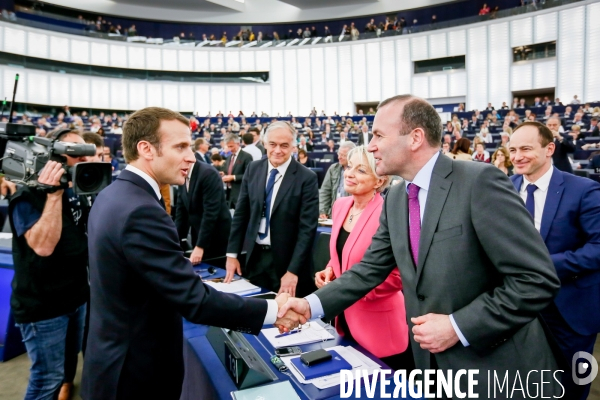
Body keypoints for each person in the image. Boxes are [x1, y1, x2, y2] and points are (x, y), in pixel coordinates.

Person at [279, 95, 562, 397]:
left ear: (415, 138)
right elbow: (367, 271)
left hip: (499, 372)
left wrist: (457, 325)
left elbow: (536, 280)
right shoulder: (397, 200)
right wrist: (311, 305)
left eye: (378, 136)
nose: (371, 146)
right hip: (431, 370)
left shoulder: (479, 182)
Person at [82, 108, 302, 400]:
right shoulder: (141, 210)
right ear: (146, 149)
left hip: (113, 364)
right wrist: (274, 310)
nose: (191, 156)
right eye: (181, 147)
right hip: (135, 376)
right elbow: (195, 302)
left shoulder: (113, 194)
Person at [509, 121, 600, 400]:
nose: (517, 156)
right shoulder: (503, 187)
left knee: (572, 385)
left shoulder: (584, 189)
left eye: (526, 148)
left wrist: (546, 266)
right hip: (516, 305)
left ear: (550, 148)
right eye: (512, 149)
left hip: (569, 308)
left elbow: (597, 247)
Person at [9, 129, 92, 400]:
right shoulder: (26, 195)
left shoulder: (79, 189)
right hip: (44, 307)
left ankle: (67, 386)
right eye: (74, 151)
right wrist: (53, 194)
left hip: (76, 296)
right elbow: (43, 247)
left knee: (68, 364)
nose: (83, 157)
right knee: (46, 378)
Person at [315, 145, 413, 370]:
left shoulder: (388, 212)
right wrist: (330, 269)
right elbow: (343, 252)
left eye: (361, 170)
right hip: (345, 322)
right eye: (349, 167)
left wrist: (348, 289)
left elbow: (399, 275)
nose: (349, 173)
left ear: (379, 181)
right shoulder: (340, 206)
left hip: (380, 330)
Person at [224, 121, 319, 297]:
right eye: (273, 144)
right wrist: (232, 254)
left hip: (287, 264)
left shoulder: (307, 178)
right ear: (265, 144)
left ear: (293, 147)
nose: (277, 150)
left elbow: (307, 229)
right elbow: (241, 214)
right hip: (255, 258)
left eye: (284, 145)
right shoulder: (253, 169)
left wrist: (293, 271)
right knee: (257, 314)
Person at [175, 158, 231, 266]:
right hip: (199, 234)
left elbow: (210, 214)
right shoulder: (182, 175)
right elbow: (181, 213)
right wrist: (175, 243)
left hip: (217, 238)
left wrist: (200, 246)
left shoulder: (208, 174)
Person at [319, 142, 355, 219]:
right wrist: (323, 210)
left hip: (351, 214)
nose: (339, 157)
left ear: (352, 156)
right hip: (334, 213)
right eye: (339, 154)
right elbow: (325, 191)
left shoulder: (358, 171)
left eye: (343, 155)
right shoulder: (333, 169)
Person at [222, 134, 253, 209]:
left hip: (241, 193)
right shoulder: (229, 157)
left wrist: (233, 177)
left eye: (231, 146)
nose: (229, 149)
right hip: (229, 193)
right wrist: (224, 174)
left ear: (238, 144)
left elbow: (249, 175)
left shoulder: (246, 156)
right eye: (228, 146)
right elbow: (229, 171)